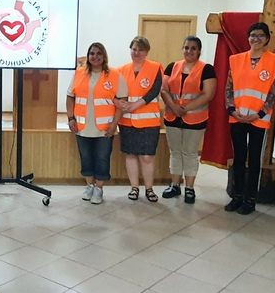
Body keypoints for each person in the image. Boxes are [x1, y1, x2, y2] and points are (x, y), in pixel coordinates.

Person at [225, 22, 275, 215]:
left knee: (254, 160)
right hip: (237, 117)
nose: (255, 39)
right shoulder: (236, 60)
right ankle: (237, 196)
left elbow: (273, 93)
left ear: (267, 39)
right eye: (252, 35)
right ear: (248, 38)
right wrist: (232, 110)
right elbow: (229, 88)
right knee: (239, 158)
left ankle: (250, 199)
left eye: (260, 35)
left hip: (259, 119)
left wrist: (258, 114)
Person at [66, 43, 126, 204]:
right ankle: (89, 186)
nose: (95, 56)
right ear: (88, 56)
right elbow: (70, 96)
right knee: (85, 157)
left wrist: (114, 124)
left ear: (104, 56)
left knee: (102, 158)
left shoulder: (115, 74)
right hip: (82, 126)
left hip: (105, 128)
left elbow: (122, 102)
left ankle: (99, 188)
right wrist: (70, 118)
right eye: (92, 53)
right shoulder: (79, 73)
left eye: (99, 53)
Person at [160, 36, 217, 204]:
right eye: (186, 47)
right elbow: (163, 90)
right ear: (182, 49)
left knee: (190, 153)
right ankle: (175, 185)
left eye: (193, 48)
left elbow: (208, 94)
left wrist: (185, 108)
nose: (189, 51)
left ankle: (189, 188)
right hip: (172, 117)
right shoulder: (172, 67)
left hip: (195, 118)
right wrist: (174, 107)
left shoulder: (207, 69)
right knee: (175, 152)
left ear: (199, 51)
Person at [117, 36, 164, 202]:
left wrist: (135, 105)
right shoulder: (121, 70)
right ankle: (134, 187)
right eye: (134, 49)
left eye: (141, 50)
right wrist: (119, 103)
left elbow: (154, 91)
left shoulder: (155, 67)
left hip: (149, 121)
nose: (137, 53)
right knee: (130, 155)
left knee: (147, 157)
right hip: (126, 120)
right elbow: (114, 92)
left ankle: (149, 189)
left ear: (147, 52)